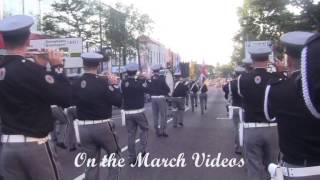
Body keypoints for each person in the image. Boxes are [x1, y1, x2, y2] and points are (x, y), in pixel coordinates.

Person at [0, 15, 71, 180]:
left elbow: (25, 92)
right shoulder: (31, 70)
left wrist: (38, 66)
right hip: (34, 146)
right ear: (28, 40)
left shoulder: (4, 68)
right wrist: (57, 66)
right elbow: (65, 98)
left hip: (7, 148)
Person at [265, 31, 320, 179]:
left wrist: (279, 75)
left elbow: (269, 116)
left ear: (288, 61)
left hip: (295, 170)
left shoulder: (277, 89)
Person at [72, 52, 121, 180]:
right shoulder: (103, 83)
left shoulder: (76, 83)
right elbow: (118, 102)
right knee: (114, 156)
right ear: (98, 65)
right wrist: (114, 85)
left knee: (91, 163)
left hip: (83, 127)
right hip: (103, 126)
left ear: (83, 64)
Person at [237, 45, 280, 180]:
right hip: (272, 128)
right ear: (268, 59)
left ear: (252, 60)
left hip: (251, 129)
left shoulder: (242, 79)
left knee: (254, 168)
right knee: (273, 168)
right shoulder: (276, 78)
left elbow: (242, 95)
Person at [121, 62, 151, 165]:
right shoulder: (139, 83)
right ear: (135, 72)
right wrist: (148, 79)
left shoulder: (123, 83)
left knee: (131, 135)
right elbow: (149, 90)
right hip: (139, 112)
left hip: (128, 113)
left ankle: (131, 157)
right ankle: (141, 151)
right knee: (145, 129)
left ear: (127, 72)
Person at [149, 64, 170, 137]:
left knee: (155, 115)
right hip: (161, 98)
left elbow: (149, 88)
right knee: (163, 115)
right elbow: (167, 89)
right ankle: (162, 131)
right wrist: (166, 91)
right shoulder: (162, 78)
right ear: (158, 70)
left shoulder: (151, 79)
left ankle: (156, 130)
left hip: (153, 98)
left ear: (153, 71)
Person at [228, 66, 245, 155]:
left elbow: (230, 95)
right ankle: (245, 146)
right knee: (244, 128)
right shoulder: (246, 82)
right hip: (243, 108)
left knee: (236, 128)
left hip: (234, 107)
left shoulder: (231, 83)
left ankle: (237, 147)